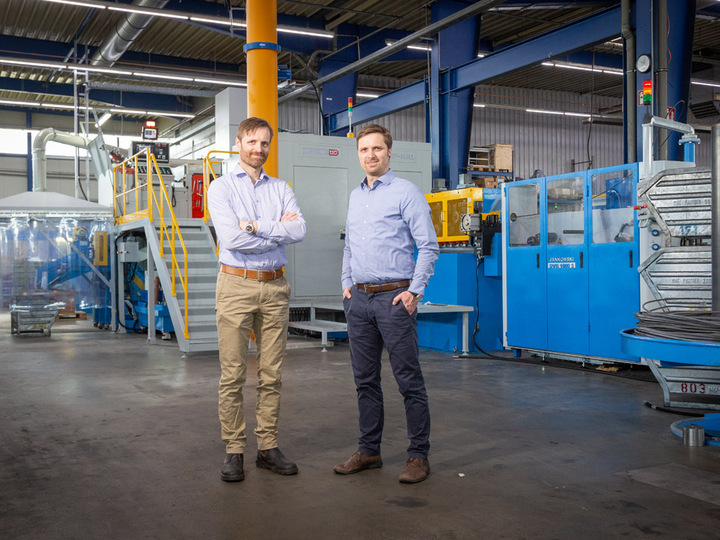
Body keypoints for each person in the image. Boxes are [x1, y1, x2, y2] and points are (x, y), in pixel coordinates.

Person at [334, 124, 439, 484]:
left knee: (408, 380)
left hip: (394, 299)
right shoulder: (355, 196)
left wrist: (414, 291)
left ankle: (418, 456)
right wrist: (346, 284)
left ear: (389, 152)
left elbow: (428, 246)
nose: (370, 155)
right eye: (364, 150)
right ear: (358, 154)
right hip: (359, 300)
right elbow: (349, 246)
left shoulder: (406, 193)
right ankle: (369, 451)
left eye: (377, 149)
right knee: (365, 381)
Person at [207, 116, 306, 483]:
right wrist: (275, 234)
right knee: (232, 373)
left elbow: (299, 229)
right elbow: (231, 240)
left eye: (264, 143)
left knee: (272, 373)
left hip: (275, 287)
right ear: (238, 143)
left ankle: (267, 447)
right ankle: (234, 450)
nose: (258, 149)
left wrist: (255, 226)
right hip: (235, 285)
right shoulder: (220, 188)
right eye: (251, 142)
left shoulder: (280, 187)